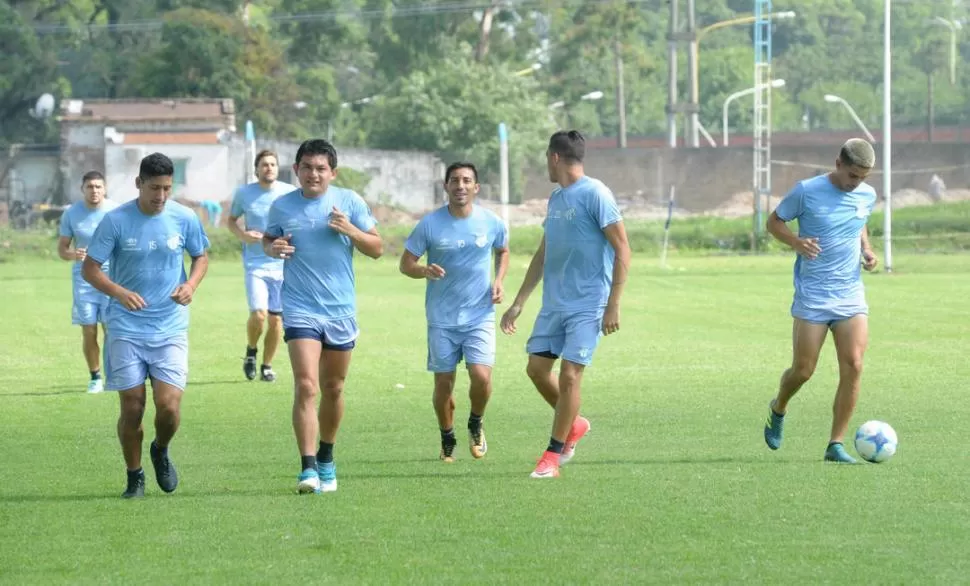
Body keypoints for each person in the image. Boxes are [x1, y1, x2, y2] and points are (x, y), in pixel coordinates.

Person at [500, 130, 631, 479]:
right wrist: (519, 302)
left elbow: (623, 249)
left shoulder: (596, 194)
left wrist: (613, 304)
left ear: (554, 157)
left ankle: (552, 456)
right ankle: (575, 425)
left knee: (570, 375)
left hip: (589, 304)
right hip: (554, 304)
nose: (546, 163)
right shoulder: (556, 199)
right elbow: (544, 253)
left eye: (546, 157)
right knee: (536, 370)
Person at [82, 153, 210, 498]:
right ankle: (134, 476)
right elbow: (90, 268)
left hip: (169, 326)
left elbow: (200, 256)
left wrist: (191, 285)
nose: (161, 196)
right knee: (133, 406)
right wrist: (119, 292)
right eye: (155, 188)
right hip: (126, 327)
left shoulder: (184, 218)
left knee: (169, 407)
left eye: (167, 188)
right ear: (139, 183)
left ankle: (160, 449)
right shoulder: (115, 220)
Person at [263, 138, 383, 494]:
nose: (313, 174)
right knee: (306, 385)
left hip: (340, 310)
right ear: (296, 169)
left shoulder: (349, 202)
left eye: (320, 168)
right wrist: (274, 247)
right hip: (300, 307)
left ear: (332, 172)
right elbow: (268, 241)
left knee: (334, 387)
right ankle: (308, 468)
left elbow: (376, 248)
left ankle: (327, 458)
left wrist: (351, 230)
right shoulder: (282, 206)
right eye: (306, 167)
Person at [763, 138, 879, 464]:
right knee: (803, 370)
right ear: (838, 164)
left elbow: (860, 221)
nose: (857, 183)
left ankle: (835, 444)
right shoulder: (806, 190)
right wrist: (796, 242)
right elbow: (773, 222)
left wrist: (866, 250)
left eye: (864, 178)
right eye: (853, 176)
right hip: (813, 294)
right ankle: (778, 407)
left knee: (854, 365)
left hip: (850, 294)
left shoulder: (866, 195)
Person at [399, 162, 510, 463]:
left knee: (481, 376)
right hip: (442, 319)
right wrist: (424, 270)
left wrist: (498, 280)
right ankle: (447, 435)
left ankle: (476, 421)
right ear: (446, 186)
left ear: (476, 187)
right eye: (455, 181)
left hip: (479, 315)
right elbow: (405, 264)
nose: (460, 186)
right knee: (444, 384)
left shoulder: (491, 222)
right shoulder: (429, 225)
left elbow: (503, 250)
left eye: (467, 181)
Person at [228, 149, 297, 382]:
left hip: (282, 265)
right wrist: (243, 235)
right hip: (255, 264)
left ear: (278, 169)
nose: (269, 168)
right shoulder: (245, 194)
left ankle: (267, 365)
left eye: (273, 164)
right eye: (265, 164)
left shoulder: (289, 193)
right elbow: (231, 221)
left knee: (276, 320)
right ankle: (251, 350)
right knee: (259, 314)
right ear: (256, 169)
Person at [57, 171, 118, 393]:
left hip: (112, 277)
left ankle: (115, 375)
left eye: (98, 187)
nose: (94, 191)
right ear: (82, 189)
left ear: (105, 188)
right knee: (89, 329)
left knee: (111, 328)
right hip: (84, 279)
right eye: (90, 187)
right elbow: (62, 250)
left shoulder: (116, 211)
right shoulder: (72, 214)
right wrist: (75, 255)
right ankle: (95, 377)